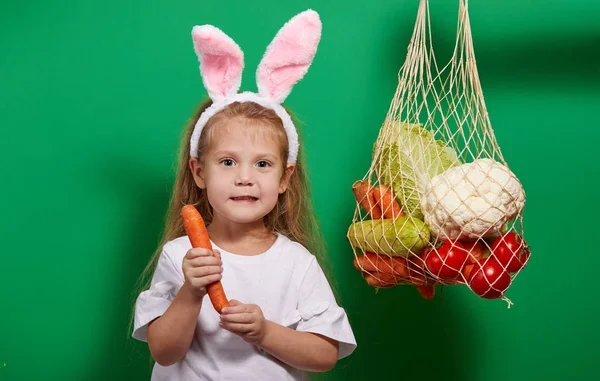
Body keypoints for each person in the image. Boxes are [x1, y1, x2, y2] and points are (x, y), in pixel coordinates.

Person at [131, 9, 357, 380]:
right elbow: (165, 352)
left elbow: (324, 355)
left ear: (285, 178)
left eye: (263, 165)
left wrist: (266, 331)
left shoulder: (297, 263)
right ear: (199, 172)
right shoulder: (180, 256)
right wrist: (190, 293)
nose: (245, 178)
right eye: (228, 162)